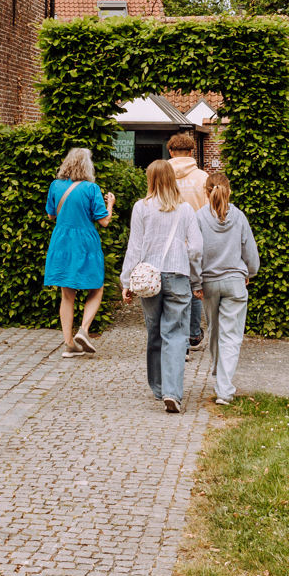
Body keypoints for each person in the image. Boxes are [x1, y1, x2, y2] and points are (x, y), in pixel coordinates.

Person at [121, 159, 204, 412]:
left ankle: (158, 389)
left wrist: (126, 281)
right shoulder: (186, 209)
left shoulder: (141, 208)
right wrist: (188, 265)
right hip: (178, 276)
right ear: (172, 179)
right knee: (177, 335)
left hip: (150, 280)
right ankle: (172, 392)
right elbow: (197, 248)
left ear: (150, 179)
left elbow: (135, 247)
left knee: (155, 332)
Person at [198, 171, 260, 405]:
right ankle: (224, 389)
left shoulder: (199, 217)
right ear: (229, 191)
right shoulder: (239, 217)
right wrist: (248, 272)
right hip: (235, 282)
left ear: (206, 192)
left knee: (214, 330)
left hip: (208, 283)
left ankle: (218, 376)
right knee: (231, 336)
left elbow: (194, 253)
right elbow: (251, 254)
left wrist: (196, 281)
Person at [43, 148, 112, 357]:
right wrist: (111, 204)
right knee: (96, 288)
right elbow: (104, 221)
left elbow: (50, 215)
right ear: (87, 166)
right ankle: (83, 330)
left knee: (67, 295)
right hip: (85, 242)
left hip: (62, 241)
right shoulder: (92, 189)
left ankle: (68, 344)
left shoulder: (55, 185)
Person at [165, 132, 210, 353]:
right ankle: (193, 333)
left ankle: (177, 335)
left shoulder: (162, 176)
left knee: (173, 288)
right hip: (195, 239)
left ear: (170, 151)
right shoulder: (203, 178)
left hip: (168, 240)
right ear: (192, 152)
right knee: (195, 285)